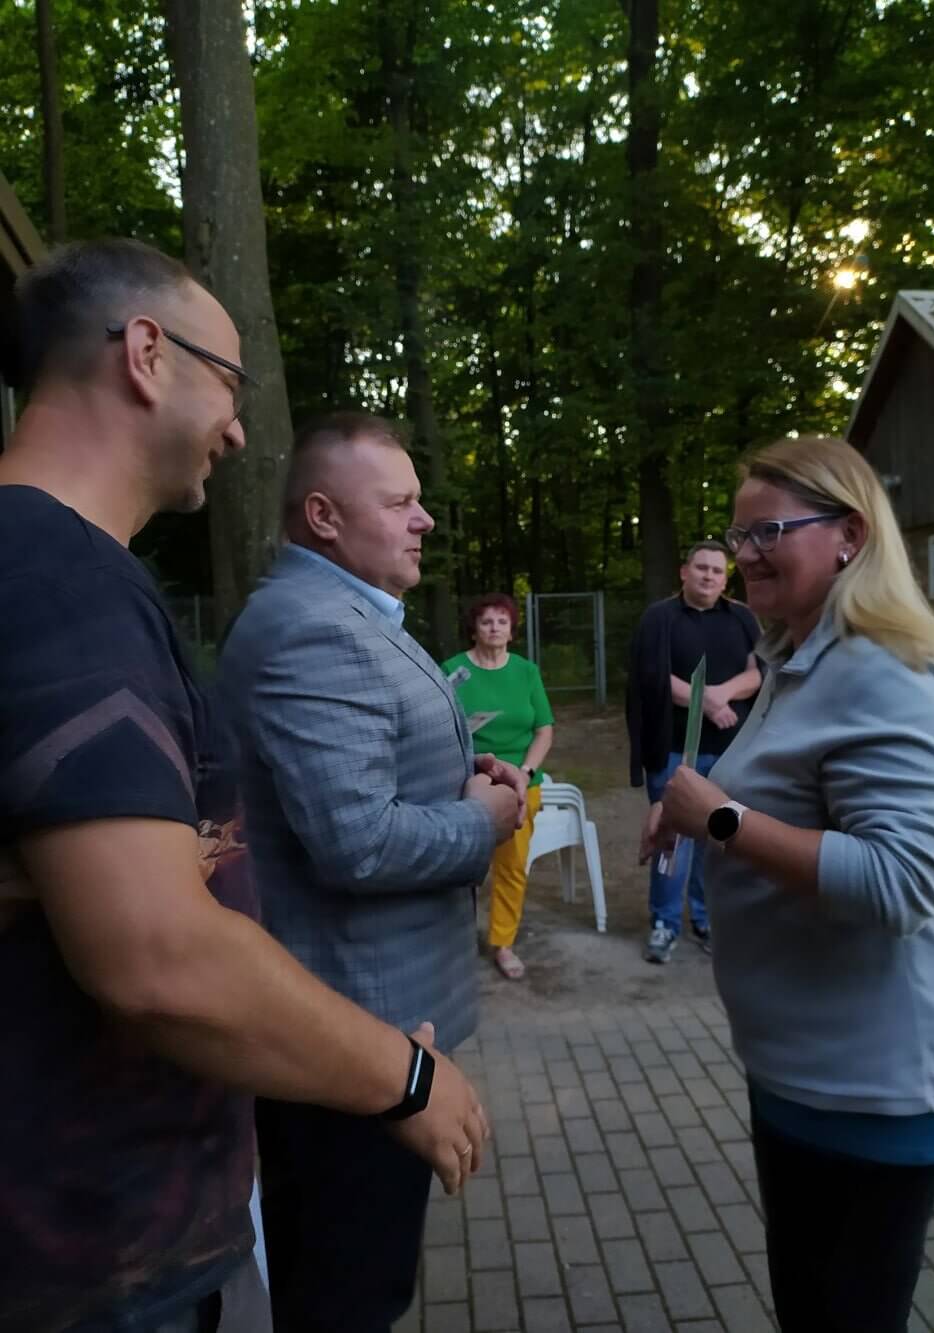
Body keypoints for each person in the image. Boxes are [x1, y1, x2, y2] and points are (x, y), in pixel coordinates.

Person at [0, 241, 491, 1333]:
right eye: (229, 380)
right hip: (95, 1258)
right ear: (144, 354)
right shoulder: (55, 579)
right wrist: (406, 1078)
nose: (235, 427)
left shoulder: (61, 571)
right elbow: (158, 955)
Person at [643, 435, 934, 1333]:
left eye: (769, 531)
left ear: (850, 534)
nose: (744, 553)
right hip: (809, 1069)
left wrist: (719, 818)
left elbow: (904, 881)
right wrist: (698, 808)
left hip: (879, 1082)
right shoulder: (801, 657)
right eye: (739, 533)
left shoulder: (890, 671)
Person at [217, 412, 522, 1333]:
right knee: (346, 1295)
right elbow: (358, 842)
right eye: (400, 503)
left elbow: (370, 773)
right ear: (323, 515)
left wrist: (465, 770)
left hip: (371, 1029)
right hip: (350, 1039)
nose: (423, 519)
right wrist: (484, 819)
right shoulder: (315, 628)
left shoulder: (344, 612)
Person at [626, 540, 760, 963]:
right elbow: (651, 675)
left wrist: (721, 695)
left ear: (726, 578)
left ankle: (707, 919)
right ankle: (664, 923)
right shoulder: (660, 618)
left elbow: (760, 673)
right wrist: (707, 703)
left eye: (717, 571)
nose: (708, 576)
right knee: (672, 838)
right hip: (673, 750)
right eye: (701, 568)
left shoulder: (742, 618)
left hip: (730, 752)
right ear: (684, 572)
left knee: (719, 839)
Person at [442, 592, 554, 980]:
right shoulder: (453, 670)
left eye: (502, 622)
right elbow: (437, 725)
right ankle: (452, 939)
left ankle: (502, 942)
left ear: (512, 629)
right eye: (486, 621)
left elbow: (544, 729)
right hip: (466, 779)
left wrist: (526, 771)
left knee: (512, 866)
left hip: (520, 783)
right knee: (458, 866)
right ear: (474, 628)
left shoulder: (526, 671)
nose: (494, 628)